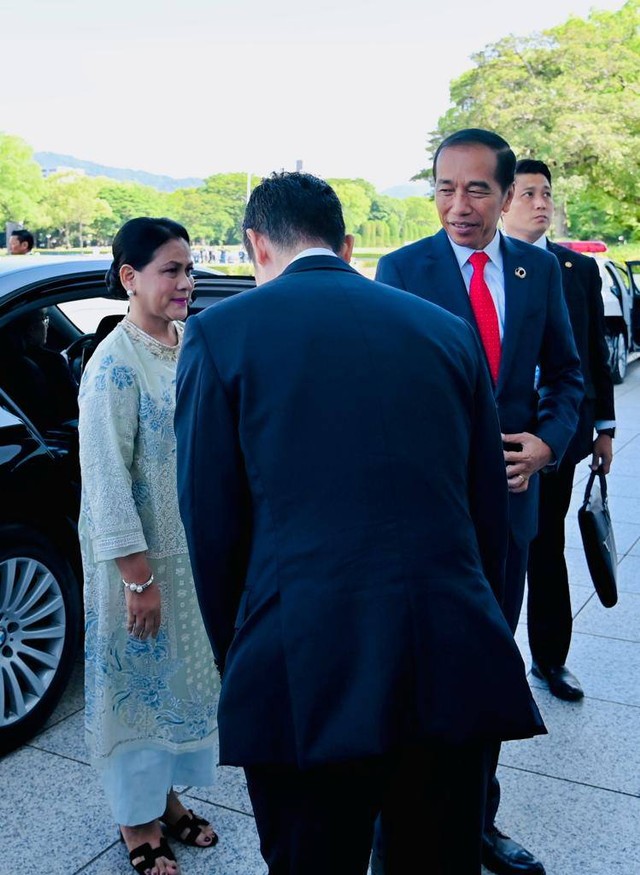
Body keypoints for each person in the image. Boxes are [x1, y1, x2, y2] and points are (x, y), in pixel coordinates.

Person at [175, 171, 546, 875]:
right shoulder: (444, 331)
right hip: (451, 653)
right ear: (345, 243)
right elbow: (486, 514)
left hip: (304, 661)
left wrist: (244, 655)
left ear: (256, 243)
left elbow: (212, 527)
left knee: (315, 858)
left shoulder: (221, 334)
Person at [376, 130, 584, 875]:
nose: (456, 206)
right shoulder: (400, 270)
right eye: (443, 188)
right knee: (410, 671)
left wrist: (548, 444)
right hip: (420, 519)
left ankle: (477, 820)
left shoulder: (538, 271)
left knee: (489, 669)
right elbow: (379, 395)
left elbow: (568, 375)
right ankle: (393, 824)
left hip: (508, 516)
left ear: (505, 194)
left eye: (474, 190)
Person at [78, 218, 219, 875]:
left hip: (189, 559)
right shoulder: (114, 363)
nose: (186, 282)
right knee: (135, 691)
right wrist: (138, 578)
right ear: (131, 278)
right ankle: (137, 823)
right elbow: (106, 480)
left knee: (176, 686)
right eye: (171, 269)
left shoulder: (190, 343)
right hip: (138, 565)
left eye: (190, 269)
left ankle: (163, 798)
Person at [502, 159, 615, 701]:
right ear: (504, 202)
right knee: (494, 549)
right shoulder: (485, 268)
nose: (541, 203)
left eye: (546, 193)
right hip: (498, 438)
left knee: (547, 545)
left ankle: (550, 660)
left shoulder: (576, 270)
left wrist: (605, 428)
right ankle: (489, 658)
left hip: (560, 434)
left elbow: (593, 354)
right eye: (528, 193)